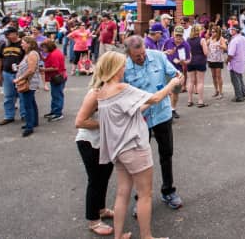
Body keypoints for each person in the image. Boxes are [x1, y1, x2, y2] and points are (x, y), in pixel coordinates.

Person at [93, 51, 181, 239]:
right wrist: (172, 83)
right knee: (145, 194)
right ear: (116, 68)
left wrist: (144, 103)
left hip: (118, 148)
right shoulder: (122, 87)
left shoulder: (101, 91)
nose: (125, 68)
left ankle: (118, 236)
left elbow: (133, 108)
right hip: (133, 146)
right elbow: (156, 98)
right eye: (123, 66)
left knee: (122, 193)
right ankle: (146, 236)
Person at [123, 35, 184, 210]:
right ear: (128, 54)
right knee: (139, 161)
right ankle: (141, 199)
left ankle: (168, 191)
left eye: (142, 53)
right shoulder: (124, 68)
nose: (141, 57)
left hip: (162, 115)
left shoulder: (158, 56)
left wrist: (178, 81)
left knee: (166, 154)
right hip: (140, 119)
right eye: (137, 56)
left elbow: (175, 76)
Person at [74, 85, 115, 237]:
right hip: (90, 143)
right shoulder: (95, 93)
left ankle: (101, 209)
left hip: (105, 142)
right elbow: (79, 122)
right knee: (96, 181)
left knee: (104, 178)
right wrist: (105, 123)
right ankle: (93, 220)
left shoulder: (116, 89)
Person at [0, 27, 26, 126]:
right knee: (8, 96)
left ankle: (24, 115)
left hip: (20, 73)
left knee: (22, 95)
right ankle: (9, 116)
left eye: (10, 34)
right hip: (7, 73)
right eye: (7, 35)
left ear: (16, 34)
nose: (8, 36)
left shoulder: (23, 44)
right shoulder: (4, 44)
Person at [14, 36, 42, 137]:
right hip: (30, 82)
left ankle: (29, 126)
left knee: (27, 105)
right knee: (31, 102)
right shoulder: (30, 54)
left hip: (29, 82)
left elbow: (31, 70)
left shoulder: (32, 54)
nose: (21, 44)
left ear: (29, 44)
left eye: (23, 42)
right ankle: (34, 122)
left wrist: (19, 79)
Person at [162, 25, 190, 118]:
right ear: (173, 34)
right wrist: (166, 53)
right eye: (176, 35)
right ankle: (167, 110)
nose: (178, 38)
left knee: (175, 92)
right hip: (167, 70)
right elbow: (161, 52)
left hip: (178, 70)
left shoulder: (185, 45)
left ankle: (173, 109)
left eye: (180, 36)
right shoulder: (168, 41)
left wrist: (183, 62)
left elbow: (188, 59)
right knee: (167, 91)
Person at [41, 39, 67, 121]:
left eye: (44, 48)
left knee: (57, 95)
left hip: (57, 77)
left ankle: (58, 113)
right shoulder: (55, 52)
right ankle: (54, 111)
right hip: (58, 76)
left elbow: (55, 67)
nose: (43, 50)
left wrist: (43, 69)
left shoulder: (54, 54)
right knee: (55, 95)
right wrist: (42, 58)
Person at [185, 24, 208, 108]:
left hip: (190, 61)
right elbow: (205, 52)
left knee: (191, 81)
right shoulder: (202, 40)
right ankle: (200, 101)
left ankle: (189, 100)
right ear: (199, 31)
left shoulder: (187, 40)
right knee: (200, 81)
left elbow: (187, 51)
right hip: (200, 61)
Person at [227, 25, 245, 102]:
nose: (230, 31)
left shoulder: (234, 40)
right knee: (240, 78)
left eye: (232, 29)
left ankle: (238, 96)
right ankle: (244, 92)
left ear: (235, 31)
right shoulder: (244, 38)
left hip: (235, 62)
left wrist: (227, 61)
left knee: (235, 80)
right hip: (242, 61)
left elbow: (231, 54)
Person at [206, 25, 227, 99]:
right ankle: (216, 90)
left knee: (218, 76)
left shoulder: (221, 39)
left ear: (217, 32)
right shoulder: (210, 39)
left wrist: (220, 46)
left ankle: (221, 92)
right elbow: (205, 46)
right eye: (211, 32)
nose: (212, 33)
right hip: (211, 60)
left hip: (218, 60)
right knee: (213, 76)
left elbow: (225, 47)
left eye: (214, 32)